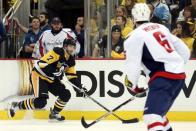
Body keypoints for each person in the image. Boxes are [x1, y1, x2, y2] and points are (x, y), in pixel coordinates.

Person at [124, 3, 190, 131]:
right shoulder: (161, 27)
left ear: (132, 18)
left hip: (163, 77)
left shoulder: (133, 36)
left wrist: (133, 85)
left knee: (151, 117)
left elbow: (133, 64)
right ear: (150, 15)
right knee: (159, 116)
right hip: (178, 76)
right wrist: (175, 67)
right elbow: (184, 51)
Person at [8, 38, 87, 121]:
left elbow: (72, 76)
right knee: (41, 102)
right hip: (39, 75)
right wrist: (54, 71)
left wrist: (79, 88)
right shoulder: (57, 52)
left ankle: (54, 113)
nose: (73, 49)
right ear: (65, 46)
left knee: (65, 94)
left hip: (51, 79)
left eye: (74, 47)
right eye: (71, 46)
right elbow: (42, 63)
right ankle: (16, 105)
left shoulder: (71, 60)